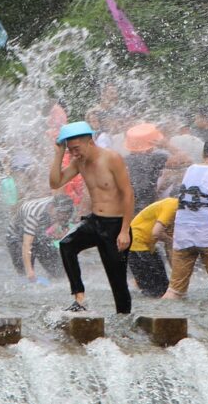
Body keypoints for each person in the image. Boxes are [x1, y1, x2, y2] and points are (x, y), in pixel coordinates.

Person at [50, 122, 134, 313]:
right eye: (70, 150)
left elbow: (128, 194)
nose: (74, 154)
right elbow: (55, 182)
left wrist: (124, 231)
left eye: (76, 149)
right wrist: (59, 154)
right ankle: (80, 299)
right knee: (66, 245)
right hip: (95, 221)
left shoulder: (111, 158)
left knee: (117, 281)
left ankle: (124, 319)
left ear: (90, 142)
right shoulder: (79, 162)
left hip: (116, 225)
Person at [163, 138, 208, 300]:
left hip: (183, 233)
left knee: (175, 290)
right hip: (207, 235)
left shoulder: (190, 169)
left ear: (203, 154)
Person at [6, 195, 74, 283]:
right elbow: (26, 245)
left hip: (39, 235)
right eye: (61, 214)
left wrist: (59, 234)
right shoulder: (34, 214)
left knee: (59, 272)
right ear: (52, 207)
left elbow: (63, 225)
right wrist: (29, 271)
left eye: (67, 213)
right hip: (17, 237)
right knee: (25, 274)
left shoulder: (63, 208)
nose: (64, 216)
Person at [128, 197, 178, 297]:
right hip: (135, 244)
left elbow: (168, 247)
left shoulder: (175, 214)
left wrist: (176, 274)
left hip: (146, 246)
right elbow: (156, 232)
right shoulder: (172, 206)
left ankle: (137, 283)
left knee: (164, 287)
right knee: (153, 290)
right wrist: (172, 240)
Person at [124, 123, 173, 214]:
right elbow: (186, 160)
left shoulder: (123, 161)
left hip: (127, 209)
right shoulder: (156, 158)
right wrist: (168, 146)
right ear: (152, 143)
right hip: (149, 206)